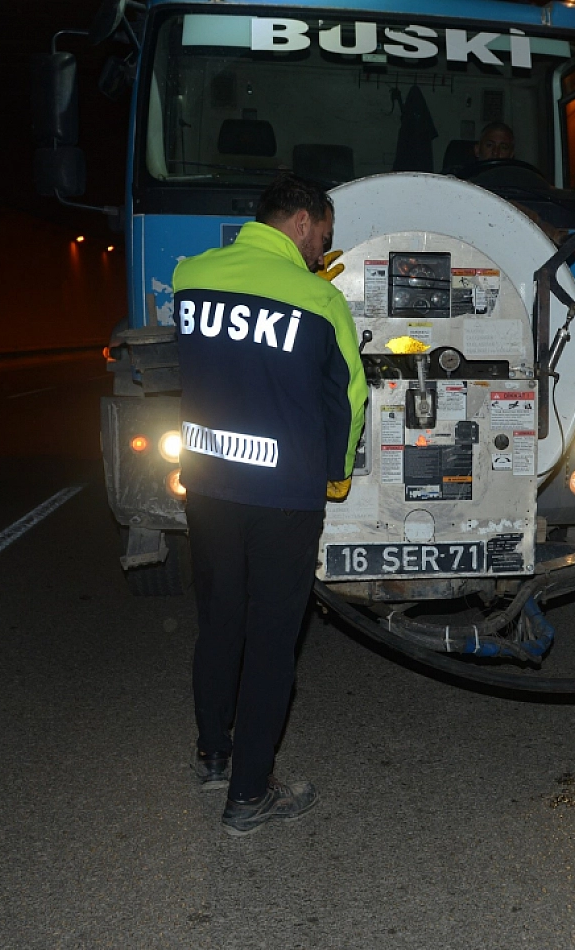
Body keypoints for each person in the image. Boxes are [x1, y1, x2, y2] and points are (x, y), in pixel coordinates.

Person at [171, 174, 366, 836]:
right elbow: (349, 396)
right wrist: (335, 476)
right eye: (324, 239)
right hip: (281, 498)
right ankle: (251, 794)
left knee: (219, 621)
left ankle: (213, 755)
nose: (323, 251)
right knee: (273, 641)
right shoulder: (319, 298)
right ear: (305, 223)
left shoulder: (192, 276)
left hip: (206, 484)